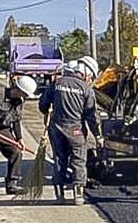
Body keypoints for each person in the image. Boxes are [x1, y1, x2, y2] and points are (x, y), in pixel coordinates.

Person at [39, 55, 100, 205]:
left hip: (57, 128)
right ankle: (78, 195)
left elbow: (42, 106)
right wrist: (98, 135)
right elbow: (91, 115)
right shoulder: (86, 89)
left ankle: (59, 195)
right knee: (79, 160)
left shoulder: (56, 84)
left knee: (60, 160)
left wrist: (50, 110)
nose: (90, 79)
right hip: (76, 130)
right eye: (90, 76)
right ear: (85, 72)